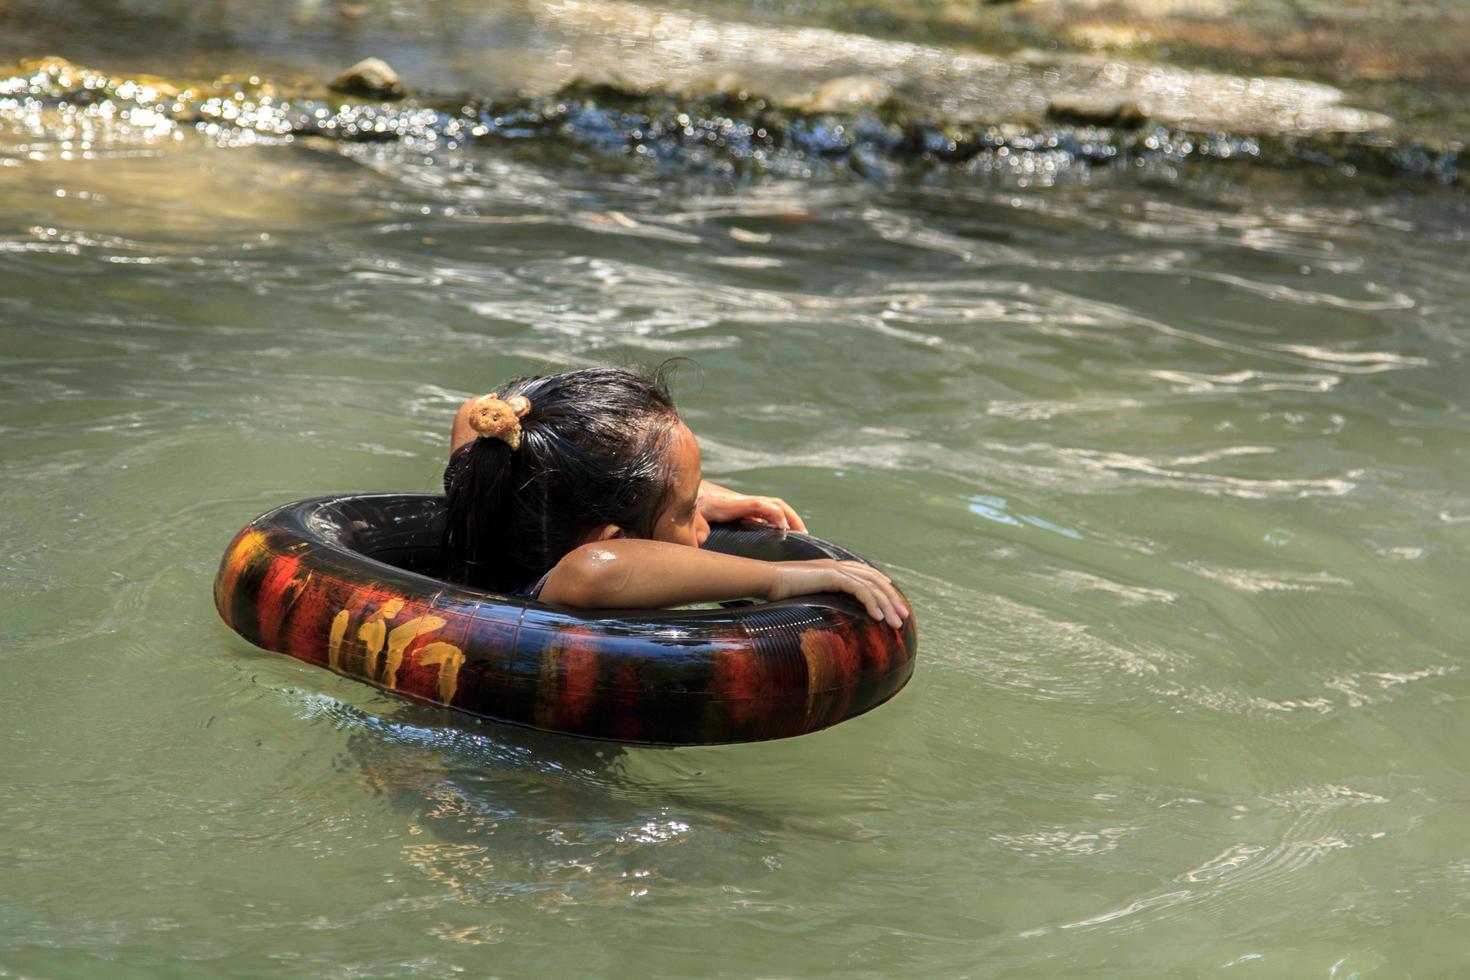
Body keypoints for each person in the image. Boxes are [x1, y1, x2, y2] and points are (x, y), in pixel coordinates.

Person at [442, 366, 909, 628]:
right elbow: (596, 567)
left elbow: (475, 411)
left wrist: (692, 495)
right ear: (618, 537)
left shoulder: (491, 479)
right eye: (688, 513)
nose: (705, 529)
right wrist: (779, 578)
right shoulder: (556, 595)